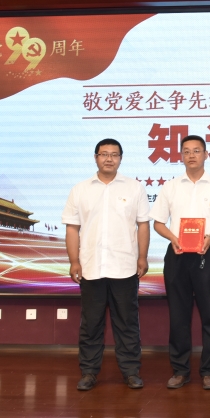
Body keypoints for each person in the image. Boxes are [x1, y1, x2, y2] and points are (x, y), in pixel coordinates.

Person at [62, 139, 150, 391]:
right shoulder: (80, 189)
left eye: (114, 155)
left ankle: (131, 372)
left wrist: (142, 257)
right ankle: (89, 372)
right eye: (104, 154)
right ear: (95, 157)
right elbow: (72, 228)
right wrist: (74, 261)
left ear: (121, 158)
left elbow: (143, 225)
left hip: (124, 266)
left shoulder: (134, 188)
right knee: (91, 324)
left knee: (127, 323)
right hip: (91, 267)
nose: (109, 159)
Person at [151, 135, 210, 390]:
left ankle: (209, 371)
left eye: (197, 151)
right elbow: (158, 222)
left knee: (209, 315)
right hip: (177, 254)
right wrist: (173, 237)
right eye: (186, 151)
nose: (191, 155)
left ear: (206, 154)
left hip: (207, 254)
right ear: (181, 156)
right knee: (178, 315)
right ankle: (180, 370)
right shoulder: (171, 186)